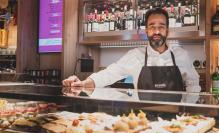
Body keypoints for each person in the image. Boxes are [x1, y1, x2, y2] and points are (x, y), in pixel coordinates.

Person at [63, 8, 201, 92]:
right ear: (146, 30)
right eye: (152, 26)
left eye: (161, 26)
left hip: (176, 123)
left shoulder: (181, 55)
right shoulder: (135, 56)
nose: (157, 31)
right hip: (143, 120)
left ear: (168, 30)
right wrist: (83, 83)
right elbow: (109, 74)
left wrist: (189, 111)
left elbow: (193, 85)